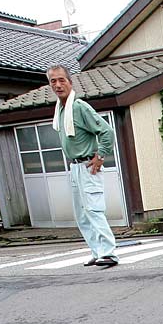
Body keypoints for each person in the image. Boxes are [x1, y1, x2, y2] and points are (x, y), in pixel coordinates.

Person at [46, 65, 120, 267]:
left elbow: (106, 131)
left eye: (62, 80)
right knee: (82, 214)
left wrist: (100, 156)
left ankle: (109, 252)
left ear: (70, 82)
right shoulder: (61, 109)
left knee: (94, 210)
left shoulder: (79, 107)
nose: (58, 85)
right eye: (53, 81)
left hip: (88, 165)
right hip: (75, 167)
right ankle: (97, 251)